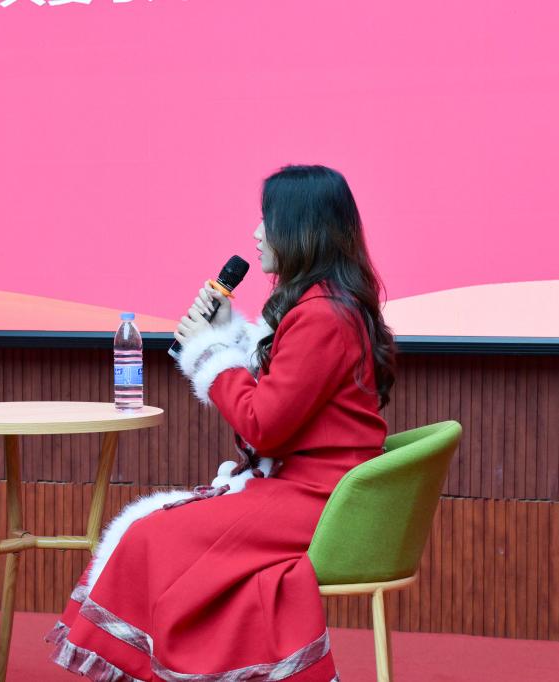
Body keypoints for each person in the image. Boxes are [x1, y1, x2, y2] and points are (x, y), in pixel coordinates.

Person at [48, 165, 396, 681]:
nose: (257, 234)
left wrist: (209, 353)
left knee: (151, 537)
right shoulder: (326, 305)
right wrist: (229, 341)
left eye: (266, 221)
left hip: (319, 496)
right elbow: (283, 404)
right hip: (309, 486)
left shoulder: (322, 314)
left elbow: (263, 426)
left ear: (300, 229)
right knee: (152, 533)